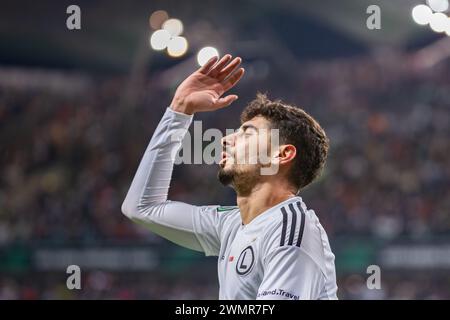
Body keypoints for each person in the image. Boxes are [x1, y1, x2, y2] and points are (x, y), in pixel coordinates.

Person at [121, 54, 338, 299]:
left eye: (247, 133)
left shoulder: (293, 231)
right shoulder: (233, 224)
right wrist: (179, 110)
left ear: (282, 154)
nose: (225, 139)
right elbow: (141, 208)